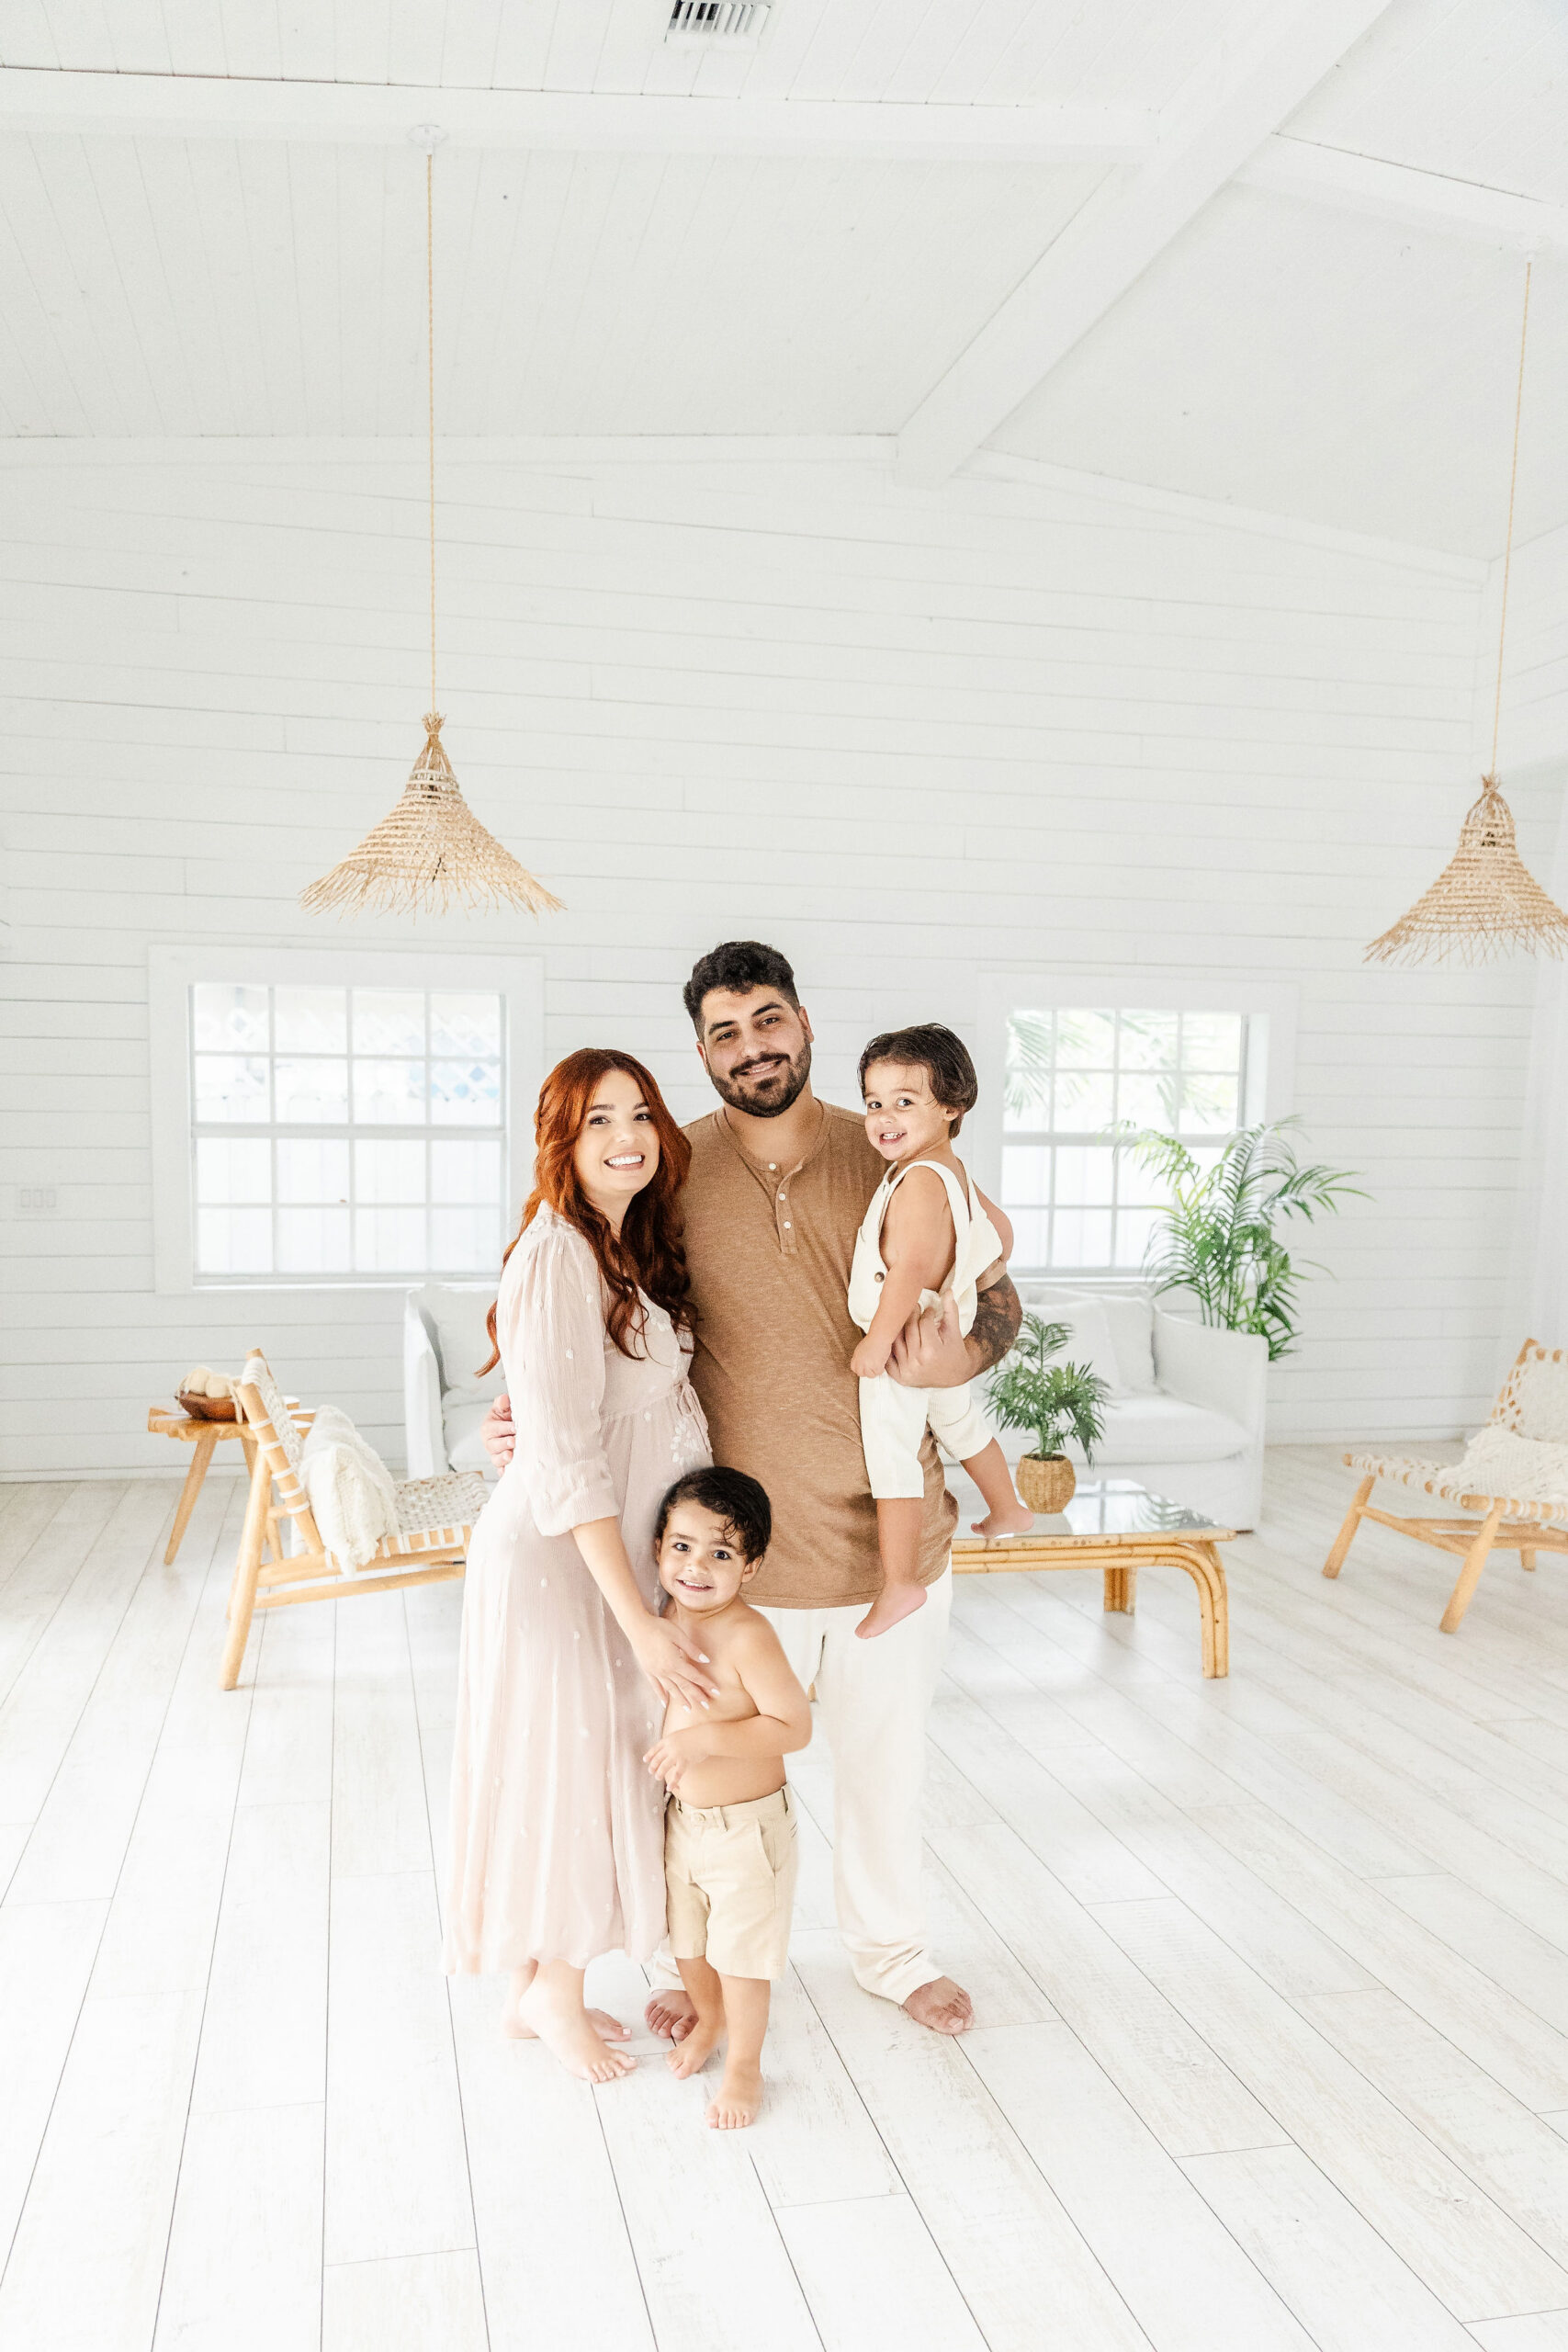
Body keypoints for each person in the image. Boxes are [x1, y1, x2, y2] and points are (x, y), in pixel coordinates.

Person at [485, 943, 1023, 2039]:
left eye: (768, 1020)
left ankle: (892, 1954)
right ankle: (697, 1968)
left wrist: (960, 1362)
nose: (753, 1047)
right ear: (701, 1051)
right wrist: (526, 1421)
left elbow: (998, 1296)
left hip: (893, 1547)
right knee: (708, 1791)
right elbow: (593, 1309)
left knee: (885, 1773)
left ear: (805, 1020)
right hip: (731, 1567)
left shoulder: (889, 1143)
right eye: (726, 1033)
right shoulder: (670, 1167)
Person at [443, 1049, 716, 2085]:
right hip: (566, 1561)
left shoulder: (625, 1247)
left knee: (582, 1759)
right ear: (561, 1138)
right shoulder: (556, 1254)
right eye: (599, 1120)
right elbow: (564, 1459)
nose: (626, 1137)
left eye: (640, 1114)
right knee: (575, 1764)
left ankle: (529, 1988)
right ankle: (555, 1988)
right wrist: (641, 1620)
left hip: (612, 1560)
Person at [850, 1024, 1032, 1637]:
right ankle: (1007, 1508)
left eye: (905, 1100)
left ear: (952, 1106)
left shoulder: (919, 1180)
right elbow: (1000, 1233)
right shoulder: (947, 1170)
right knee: (961, 1425)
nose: (883, 1117)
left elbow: (908, 1269)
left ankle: (900, 1581)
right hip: (942, 1334)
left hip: (907, 1343)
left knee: (890, 1454)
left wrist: (877, 1342)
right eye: (874, 1102)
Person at [643, 1466, 811, 2130]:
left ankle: (745, 2063)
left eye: (721, 1553)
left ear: (751, 1567)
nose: (696, 1566)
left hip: (746, 1831)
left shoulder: (747, 1636)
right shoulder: (662, 1621)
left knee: (741, 1956)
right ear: (658, 1547)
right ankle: (707, 2020)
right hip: (685, 1823)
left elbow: (792, 1726)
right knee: (687, 1944)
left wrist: (706, 1739)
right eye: (682, 1546)